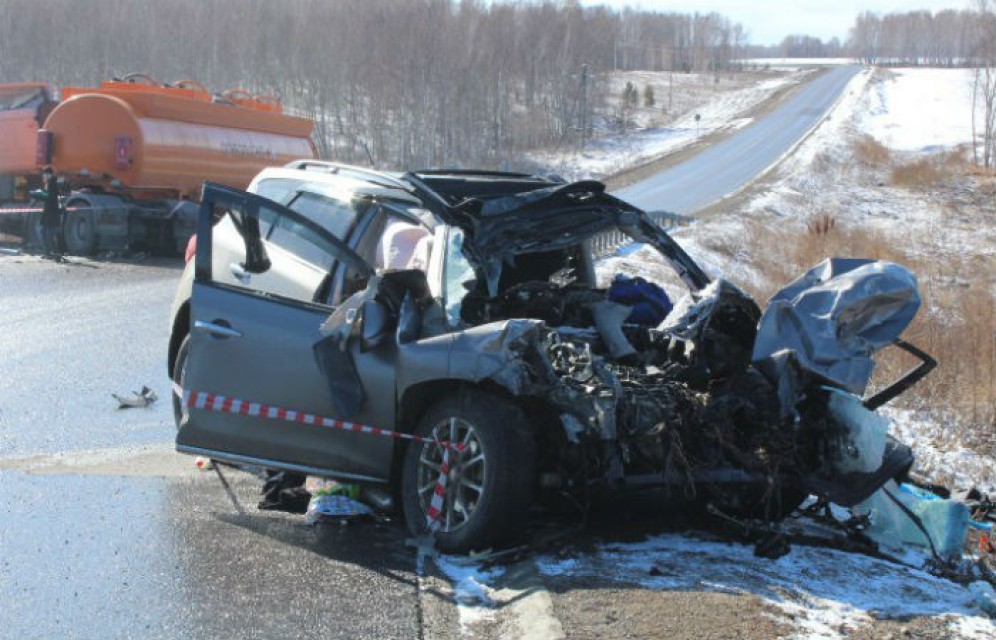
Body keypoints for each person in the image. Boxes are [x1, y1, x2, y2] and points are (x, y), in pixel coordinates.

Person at [39, 166, 62, 257]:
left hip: (51, 213)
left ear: (48, 175)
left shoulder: (52, 184)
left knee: (49, 234)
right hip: (49, 213)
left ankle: (54, 253)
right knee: (46, 233)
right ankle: (50, 253)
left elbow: (49, 197)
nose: (43, 177)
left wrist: (40, 194)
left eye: (44, 175)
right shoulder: (51, 183)